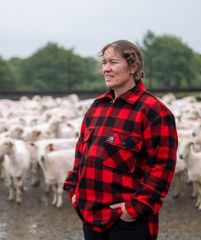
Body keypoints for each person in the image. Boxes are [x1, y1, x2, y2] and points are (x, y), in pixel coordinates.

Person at [63, 40, 178, 240]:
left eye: (113, 62)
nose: (106, 69)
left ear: (133, 67)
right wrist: (74, 192)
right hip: (90, 218)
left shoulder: (153, 111)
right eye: (104, 63)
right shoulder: (96, 107)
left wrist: (135, 209)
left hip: (128, 224)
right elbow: (81, 155)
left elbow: (162, 167)